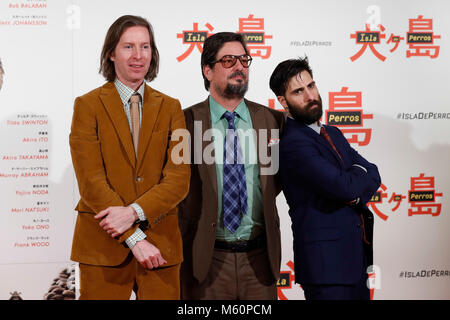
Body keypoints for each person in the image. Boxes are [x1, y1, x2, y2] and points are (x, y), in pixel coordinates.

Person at [69, 15, 190, 300]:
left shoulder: (172, 108)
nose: (138, 56)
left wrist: (133, 213)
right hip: (102, 247)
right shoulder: (86, 106)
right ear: (111, 53)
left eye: (145, 47)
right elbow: (90, 181)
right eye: (128, 47)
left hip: (161, 246)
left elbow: (179, 179)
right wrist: (134, 238)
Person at [178, 32, 284, 300]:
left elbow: (279, 181)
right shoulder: (185, 122)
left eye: (244, 60)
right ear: (207, 70)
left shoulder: (273, 121)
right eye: (228, 60)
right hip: (207, 261)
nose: (239, 67)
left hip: (260, 261)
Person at [269, 57, 381, 300]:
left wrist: (355, 182)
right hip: (326, 268)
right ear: (283, 101)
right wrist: (354, 182)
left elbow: (373, 171)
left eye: (311, 86)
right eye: (298, 91)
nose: (310, 96)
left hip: (356, 260)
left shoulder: (333, 133)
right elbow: (343, 187)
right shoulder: (291, 143)